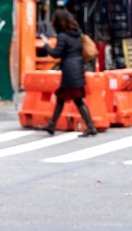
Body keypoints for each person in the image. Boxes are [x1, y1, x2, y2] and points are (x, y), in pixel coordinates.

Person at [40, 9, 98, 137]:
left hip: (69, 71)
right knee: (62, 97)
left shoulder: (63, 36)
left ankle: (91, 126)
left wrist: (46, 46)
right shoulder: (77, 34)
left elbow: (56, 54)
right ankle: (52, 125)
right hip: (78, 69)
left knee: (77, 100)